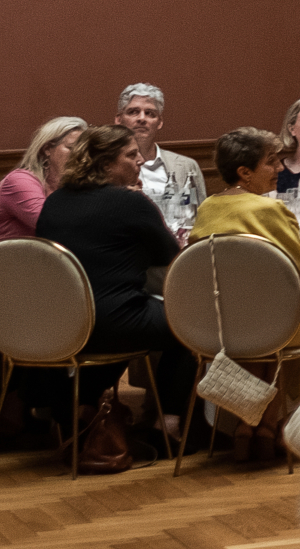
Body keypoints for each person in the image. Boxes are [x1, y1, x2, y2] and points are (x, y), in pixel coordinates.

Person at [36, 124, 195, 447]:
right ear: (106, 164)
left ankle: (83, 408)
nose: (140, 161)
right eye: (131, 155)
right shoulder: (130, 202)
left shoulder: (55, 201)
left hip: (62, 324)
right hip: (114, 321)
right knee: (190, 324)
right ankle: (168, 424)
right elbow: (169, 255)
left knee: (124, 322)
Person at [188, 127, 300, 455]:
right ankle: (272, 426)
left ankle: (249, 427)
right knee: (282, 329)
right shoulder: (272, 210)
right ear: (245, 172)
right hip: (275, 327)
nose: (279, 168)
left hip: (218, 326)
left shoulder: (207, 207)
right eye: (271, 161)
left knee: (262, 334)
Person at [0, 115, 85, 241]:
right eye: (72, 148)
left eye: (84, 150)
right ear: (47, 149)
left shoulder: (75, 184)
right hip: (12, 253)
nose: (80, 155)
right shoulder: (19, 180)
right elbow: (52, 224)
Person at [114, 83, 204, 213]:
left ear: (159, 122)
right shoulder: (109, 166)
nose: (142, 118)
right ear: (119, 120)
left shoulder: (186, 166)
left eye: (150, 113)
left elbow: (199, 215)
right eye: (133, 112)